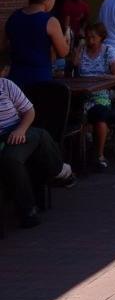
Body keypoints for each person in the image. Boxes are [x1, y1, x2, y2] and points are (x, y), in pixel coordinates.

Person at [0, 72, 75, 227]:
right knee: (11, 159)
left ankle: (58, 170)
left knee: (38, 136)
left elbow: (29, 111)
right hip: (3, 140)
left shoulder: (6, 85)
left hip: (19, 131)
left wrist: (21, 130)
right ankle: (29, 209)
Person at [72, 21, 115, 168]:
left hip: (101, 94)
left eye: (93, 37)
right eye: (87, 37)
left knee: (99, 116)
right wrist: (79, 49)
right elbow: (74, 65)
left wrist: (101, 78)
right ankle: (76, 153)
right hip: (81, 93)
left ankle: (99, 154)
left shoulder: (109, 51)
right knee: (72, 112)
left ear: (101, 37)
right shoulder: (83, 50)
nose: (90, 41)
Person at [2, 0, 70, 88]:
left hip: (15, 77)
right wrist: (67, 39)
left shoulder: (14, 17)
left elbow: (2, 46)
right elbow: (63, 52)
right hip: (40, 79)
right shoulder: (50, 21)